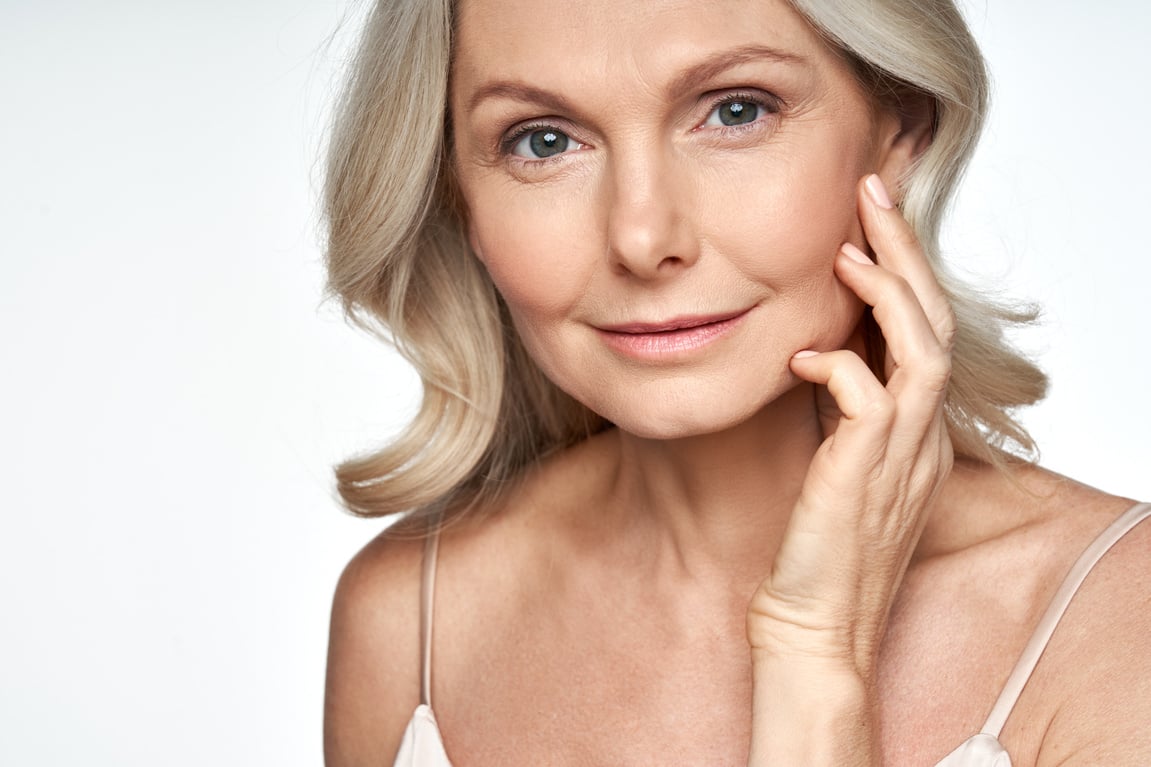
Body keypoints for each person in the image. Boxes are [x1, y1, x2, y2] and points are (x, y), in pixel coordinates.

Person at [321, 0, 1151, 764]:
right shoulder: (411, 619)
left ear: (900, 134)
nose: (642, 238)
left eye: (735, 110)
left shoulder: (1118, 619)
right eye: (542, 140)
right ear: (459, 195)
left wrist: (815, 656)